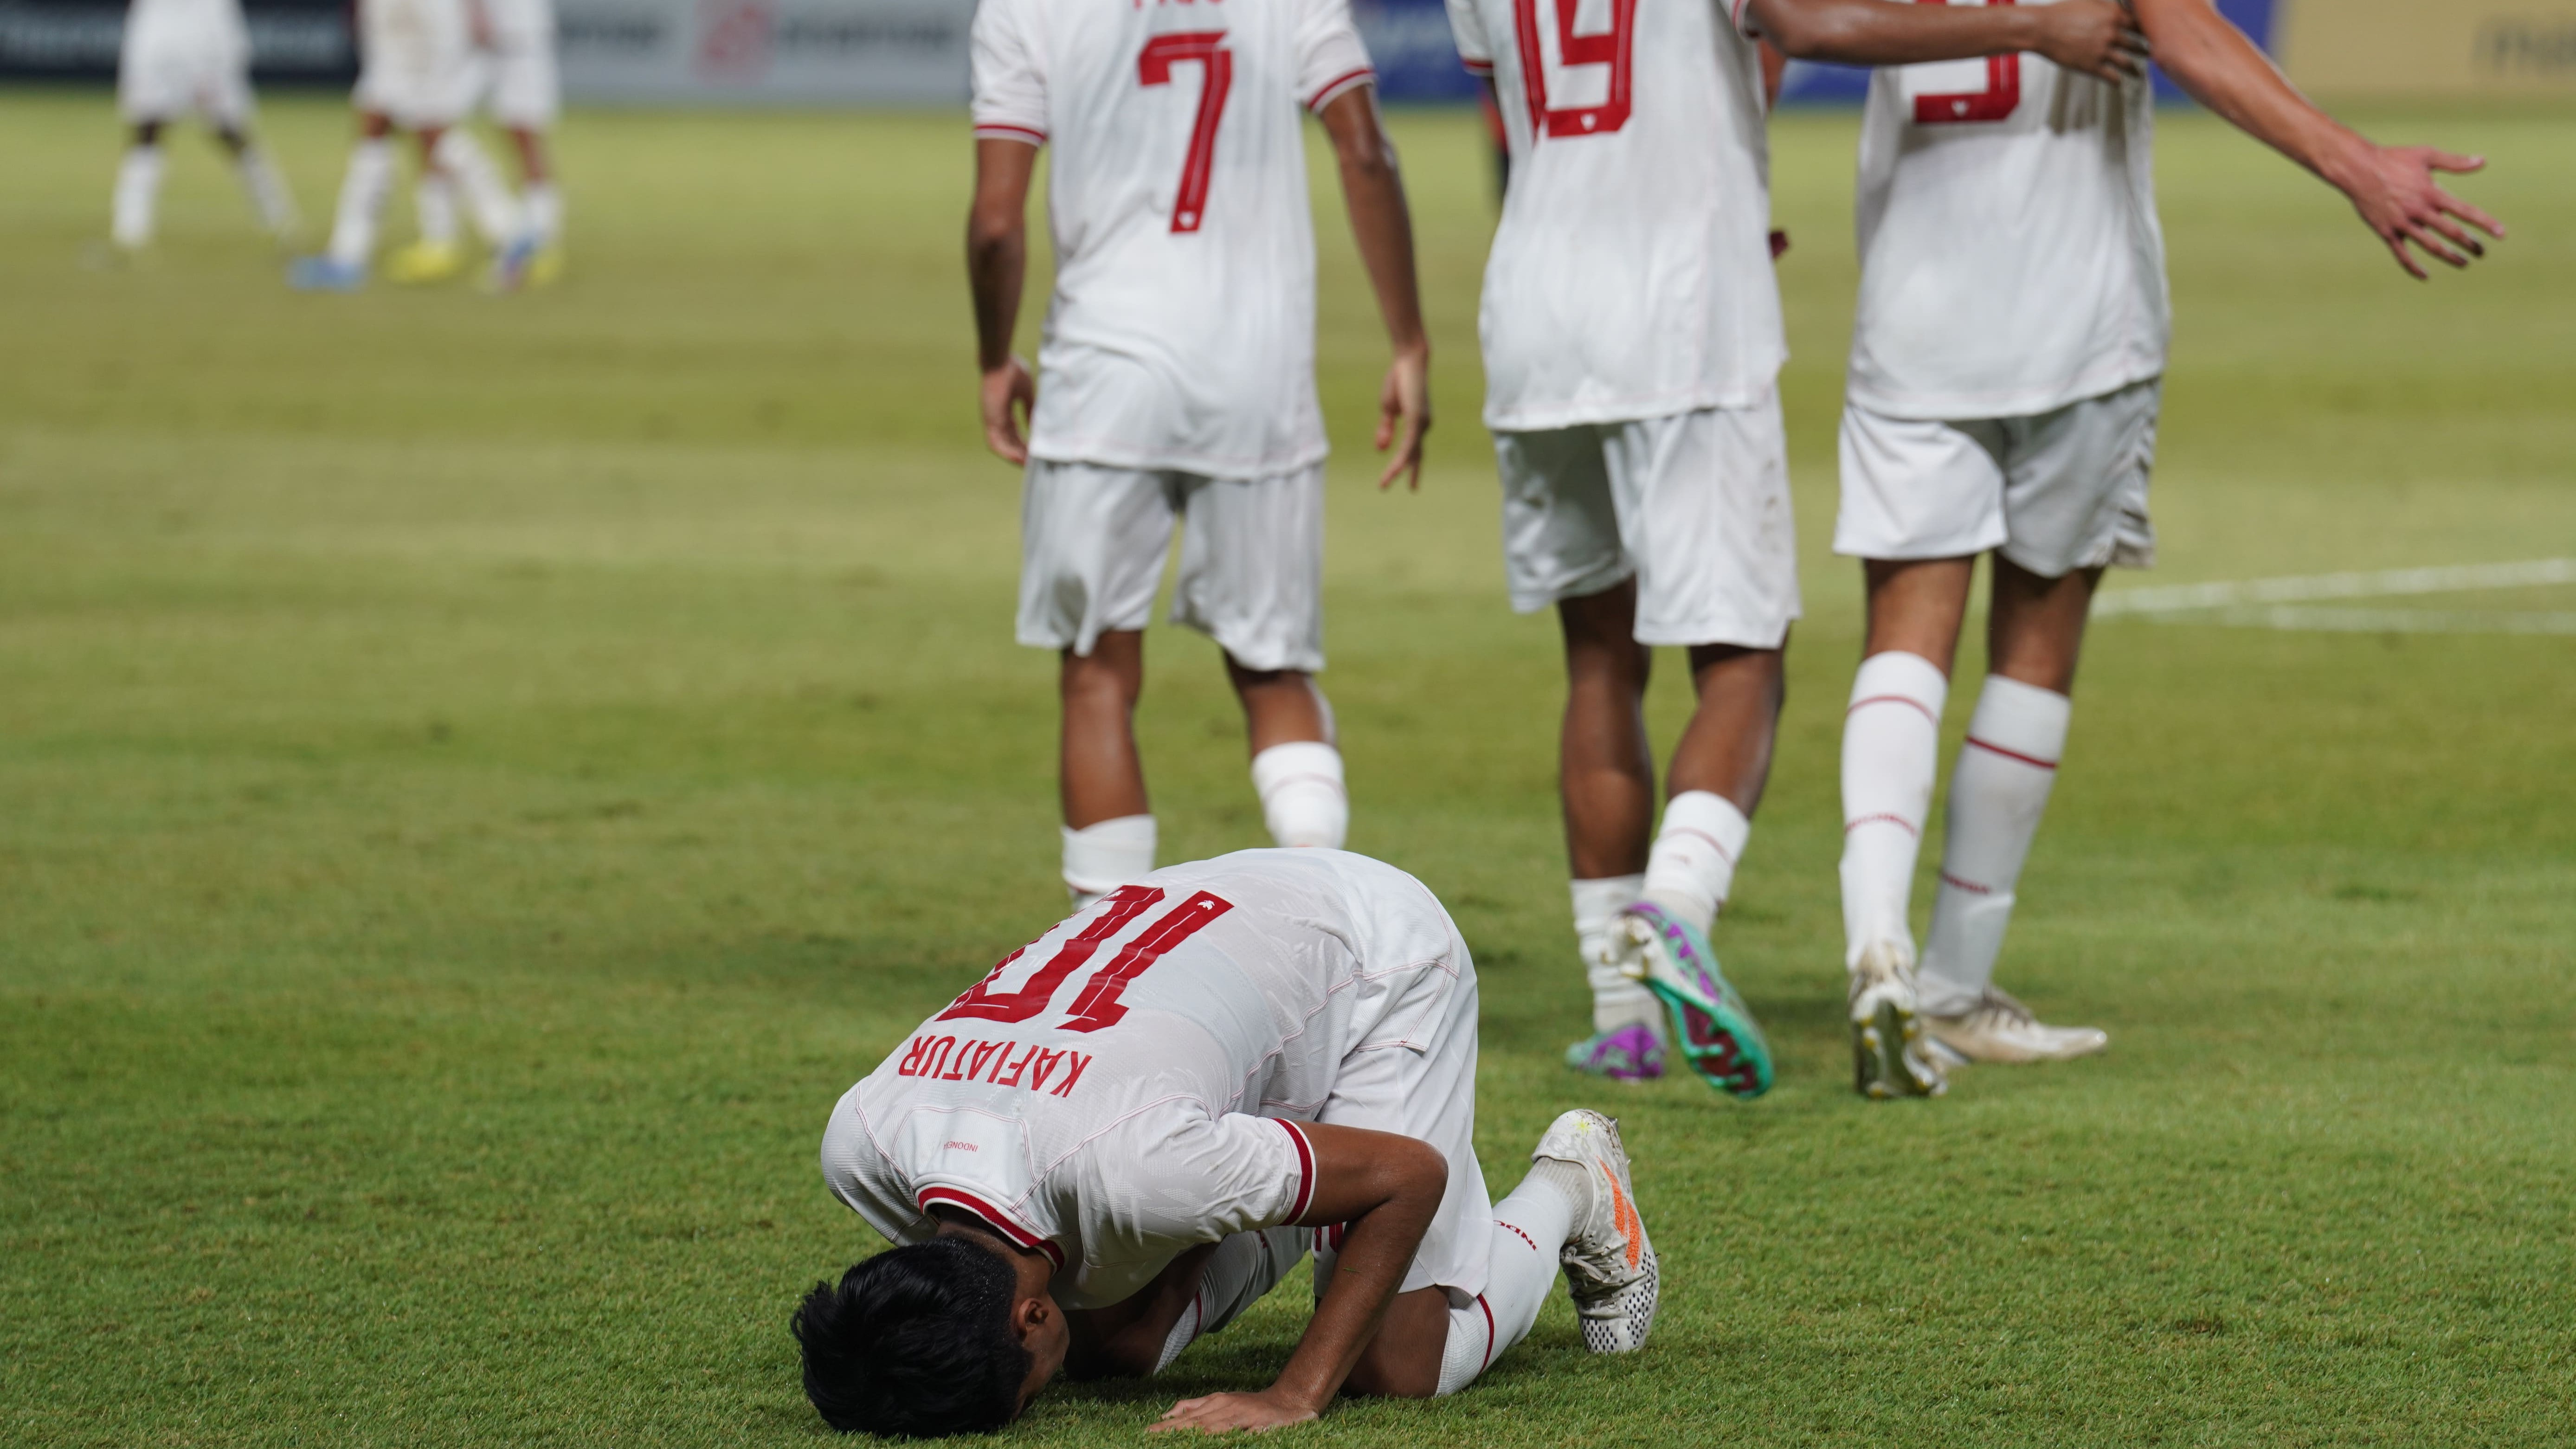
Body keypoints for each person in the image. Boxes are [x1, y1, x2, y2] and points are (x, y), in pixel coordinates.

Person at [1437, 0, 2147, 1090]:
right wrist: (2033, 28)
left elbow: (1522, 96)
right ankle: (1675, 903)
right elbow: (1805, 24)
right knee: (1742, 664)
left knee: (1597, 659)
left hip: (1534, 315)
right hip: (1684, 321)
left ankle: (1622, 1017)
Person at [1830, 0, 2504, 1098]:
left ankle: (1877, 950)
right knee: (2037, 639)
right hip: (2080, 318)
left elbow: (1799, 23)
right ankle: (1954, 983)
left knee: (1905, 635)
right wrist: (2357, 165)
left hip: (1915, 314)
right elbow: (2185, 32)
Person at [797, 849, 1656, 1436]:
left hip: (1371, 953)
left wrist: (1294, 1393)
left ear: (1030, 1314)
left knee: (1398, 1363)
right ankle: (1309, 1175)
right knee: (1118, 1347)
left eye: (1029, 1390)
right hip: (1210, 917)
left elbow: (1409, 1175)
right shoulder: (860, 1141)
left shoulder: (1137, 1167)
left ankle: (1573, 1184)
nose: (1044, 1393)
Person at [964, 0, 1431, 908]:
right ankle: (1317, 929)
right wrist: (1407, 339)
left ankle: (1109, 974)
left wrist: (993, 357)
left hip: (1103, 374)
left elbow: (994, 223)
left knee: (1097, 673)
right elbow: (1365, 150)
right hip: (1255, 372)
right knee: (1273, 670)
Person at [289, 0, 534, 292]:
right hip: (409, 22)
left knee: (422, 129)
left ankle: (508, 225)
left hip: (413, 21)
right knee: (387, 125)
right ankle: (348, 253)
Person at [386, 0, 565, 286]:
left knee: (525, 138)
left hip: (521, 36)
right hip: (467, 40)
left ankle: (539, 243)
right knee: (430, 125)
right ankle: (443, 240)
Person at [106, 0, 299, 255]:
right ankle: (131, 226)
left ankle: (277, 213)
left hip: (207, 37)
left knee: (230, 129)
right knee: (147, 129)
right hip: (155, 39)